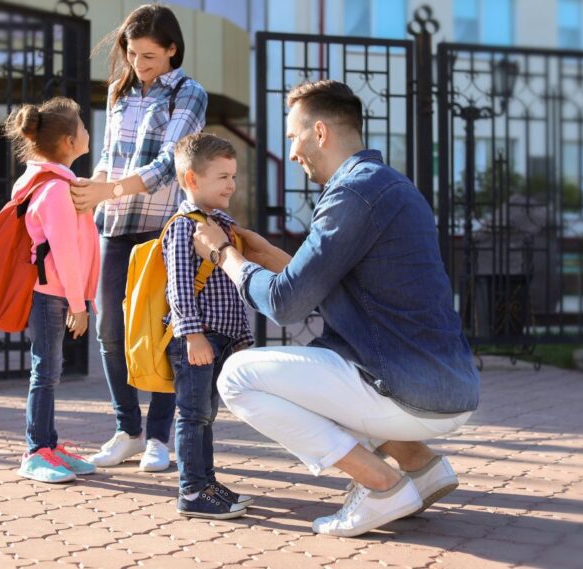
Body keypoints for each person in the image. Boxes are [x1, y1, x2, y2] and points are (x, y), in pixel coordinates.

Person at [193, 80, 480, 537]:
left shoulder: (353, 195)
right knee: (320, 367)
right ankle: (421, 465)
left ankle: (382, 485)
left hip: (409, 389)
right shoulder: (390, 186)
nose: (291, 153)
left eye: (293, 138)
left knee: (238, 377)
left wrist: (223, 256)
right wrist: (265, 254)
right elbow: (322, 288)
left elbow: (287, 304)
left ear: (320, 132)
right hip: (447, 385)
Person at [70, 4, 208, 472]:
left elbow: (172, 162)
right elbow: (110, 154)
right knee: (111, 329)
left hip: (162, 225)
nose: (139, 64)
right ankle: (127, 430)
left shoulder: (189, 93)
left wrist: (112, 188)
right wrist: (92, 194)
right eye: (132, 54)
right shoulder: (117, 92)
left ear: (172, 50)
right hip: (114, 224)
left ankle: (158, 438)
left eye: (149, 56)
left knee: (161, 330)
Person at [4, 97, 100, 484]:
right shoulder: (55, 189)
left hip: (50, 290)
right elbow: (64, 252)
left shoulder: (42, 180)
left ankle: (48, 444)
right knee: (45, 371)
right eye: (83, 127)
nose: (88, 132)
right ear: (67, 140)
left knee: (50, 370)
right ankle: (35, 452)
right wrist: (78, 305)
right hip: (51, 292)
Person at [163, 133, 254, 519]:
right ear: (191, 180)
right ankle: (192, 490)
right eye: (221, 177)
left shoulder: (221, 225)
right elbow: (179, 285)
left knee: (206, 415)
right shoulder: (185, 227)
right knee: (192, 414)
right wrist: (193, 333)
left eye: (233, 175)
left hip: (217, 340)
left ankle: (207, 482)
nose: (231, 184)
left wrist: (241, 338)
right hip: (196, 339)